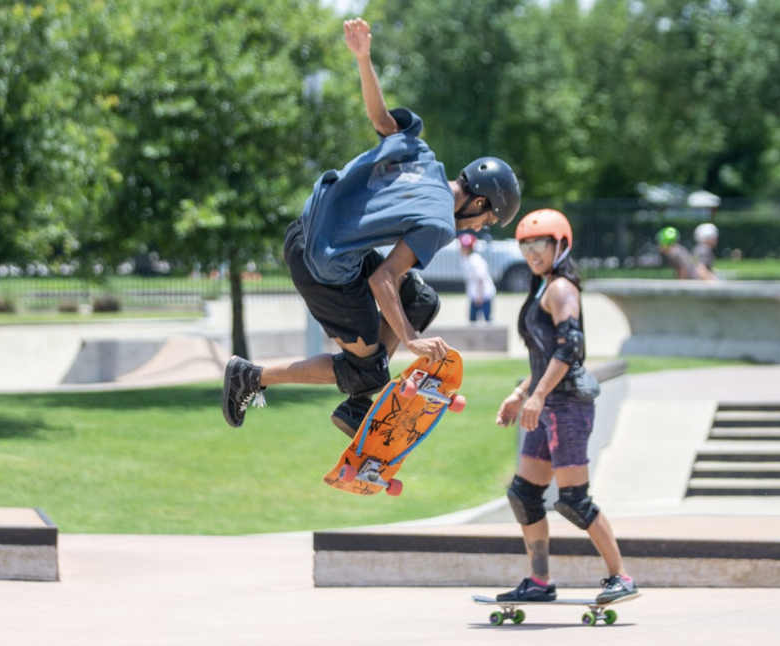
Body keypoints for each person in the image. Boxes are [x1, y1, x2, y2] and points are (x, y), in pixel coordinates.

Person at [222, 18, 521, 438]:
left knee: (418, 298)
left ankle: (361, 402)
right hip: (326, 268)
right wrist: (413, 341)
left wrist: (363, 59)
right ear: (478, 201)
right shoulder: (439, 222)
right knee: (371, 364)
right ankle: (252, 377)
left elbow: (380, 117)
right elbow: (384, 279)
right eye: (487, 218)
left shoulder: (422, 153)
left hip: (309, 234)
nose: (482, 225)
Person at [494, 209, 637, 605]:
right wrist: (522, 393)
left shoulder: (561, 290)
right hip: (546, 404)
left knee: (574, 500)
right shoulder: (542, 287)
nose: (532, 252)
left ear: (561, 244)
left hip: (567, 407)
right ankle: (540, 582)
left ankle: (620, 576)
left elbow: (570, 348)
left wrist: (537, 396)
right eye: (525, 245)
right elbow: (543, 358)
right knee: (524, 494)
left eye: (540, 243)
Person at [459, 233, 496, 323]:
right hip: (475, 294)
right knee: (472, 320)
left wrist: (479, 296)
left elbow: (481, 278)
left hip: (483, 295)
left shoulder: (475, 260)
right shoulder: (466, 259)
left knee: (486, 319)